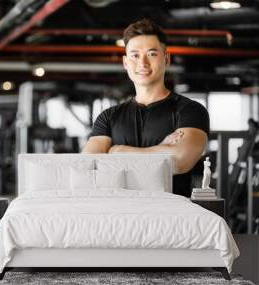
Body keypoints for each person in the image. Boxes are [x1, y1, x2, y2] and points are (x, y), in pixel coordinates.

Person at [82, 18, 210, 197]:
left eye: (151, 54)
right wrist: (161, 150)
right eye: (135, 55)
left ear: (166, 59)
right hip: (117, 217)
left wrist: (117, 151)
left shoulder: (190, 111)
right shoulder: (108, 117)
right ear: (126, 63)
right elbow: (89, 171)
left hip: (171, 219)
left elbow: (179, 160)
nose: (143, 63)